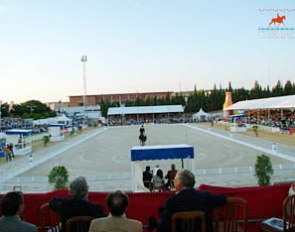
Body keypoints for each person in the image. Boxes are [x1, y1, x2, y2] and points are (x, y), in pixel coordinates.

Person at [157, 169, 227, 231]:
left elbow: (163, 226)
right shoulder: (205, 196)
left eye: (174, 180)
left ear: (179, 184)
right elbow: (222, 200)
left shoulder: (171, 201)